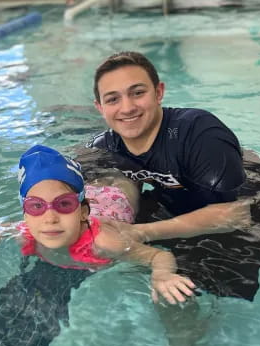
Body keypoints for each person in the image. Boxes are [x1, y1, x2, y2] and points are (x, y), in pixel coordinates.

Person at [0, 144, 199, 305]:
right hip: (84, 192)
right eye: (36, 206)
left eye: (63, 205)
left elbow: (159, 256)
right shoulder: (26, 233)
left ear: (82, 212)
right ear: (25, 215)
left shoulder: (104, 243)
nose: (50, 218)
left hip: (112, 194)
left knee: (124, 176)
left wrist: (162, 275)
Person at [89, 50, 246, 220]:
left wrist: (138, 234)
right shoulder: (104, 148)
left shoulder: (199, 133)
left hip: (252, 206)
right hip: (174, 202)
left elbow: (235, 213)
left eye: (138, 93)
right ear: (100, 108)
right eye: (113, 99)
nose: (127, 108)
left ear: (158, 92)